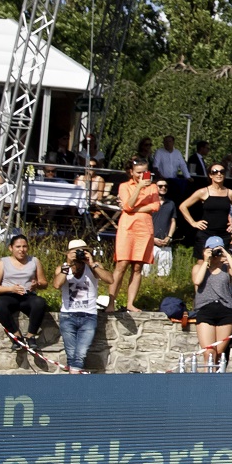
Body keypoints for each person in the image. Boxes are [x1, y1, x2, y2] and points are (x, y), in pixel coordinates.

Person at [108, 155, 163, 310]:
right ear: (131, 172)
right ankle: (111, 302)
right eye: (138, 172)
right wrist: (138, 187)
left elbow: (156, 206)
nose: (141, 175)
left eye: (144, 172)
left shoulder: (152, 187)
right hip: (128, 227)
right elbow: (127, 205)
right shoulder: (125, 186)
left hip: (144, 228)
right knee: (122, 264)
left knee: (138, 266)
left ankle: (130, 303)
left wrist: (134, 209)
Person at [190, 237, 232, 371]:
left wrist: (227, 255)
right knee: (209, 352)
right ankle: (206, 382)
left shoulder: (227, 268)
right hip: (205, 310)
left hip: (225, 310)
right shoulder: (198, 267)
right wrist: (206, 261)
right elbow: (197, 281)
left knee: (219, 353)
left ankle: (216, 381)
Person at [57, 240, 111, 371]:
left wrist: (92, 263)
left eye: (82, 251)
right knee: (71, 355)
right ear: (68, 253)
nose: (79, 254)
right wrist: (69, 264)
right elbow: (57, 284)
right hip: (67, 315)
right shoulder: (63, 268)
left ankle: (74, 382)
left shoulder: (93, 267)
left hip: (89, 315)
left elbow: (110, 279)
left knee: (80, 354)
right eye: (76, 251)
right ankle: (75, 385)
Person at [178, 163, 232, 274]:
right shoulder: (203, 192)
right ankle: (199, 289)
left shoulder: (230, 193)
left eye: (221, 171)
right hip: (205, 233)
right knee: (202, 263)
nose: (219, 174)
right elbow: (183, 206)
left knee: (223, 263)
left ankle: (220, 289)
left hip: (223, 234)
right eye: (215, 172)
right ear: (210, 175)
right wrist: (193, 222)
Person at [0, 234, 50, 346]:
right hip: (9, 296)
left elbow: (44, 283)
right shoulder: (3, 262)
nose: (21, 250)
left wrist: (37, 284)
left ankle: (31, 335)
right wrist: (11, 288)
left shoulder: (34, 261)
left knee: (40, 302)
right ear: (11, 248)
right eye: (18, 247)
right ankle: (16, 335)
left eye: (24, 246)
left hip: (28, 295)